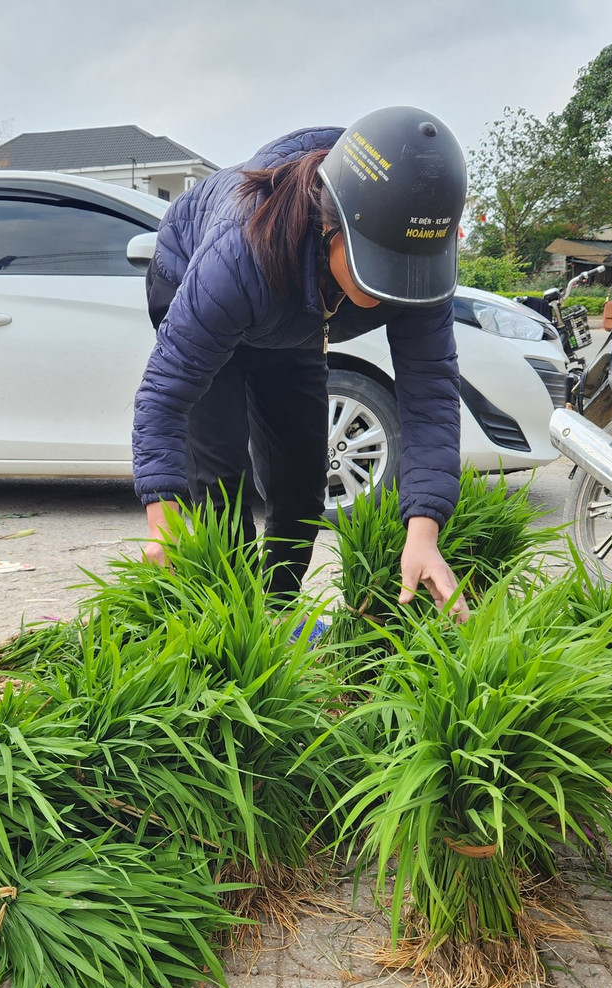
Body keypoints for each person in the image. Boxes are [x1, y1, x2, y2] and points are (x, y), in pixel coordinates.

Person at [134, 106, 470, 619]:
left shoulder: (418, 257)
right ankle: (231, 625)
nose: (386, 296)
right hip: (198, 278)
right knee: (223, 485)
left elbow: (431, 395)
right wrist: (163, 512)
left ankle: (278, 614)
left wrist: (423, 532)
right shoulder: (239, 254)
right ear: (329, 223)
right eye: (376, 271)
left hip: (300, 311)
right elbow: (165, 393)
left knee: (302, 480)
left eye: (403, 276)